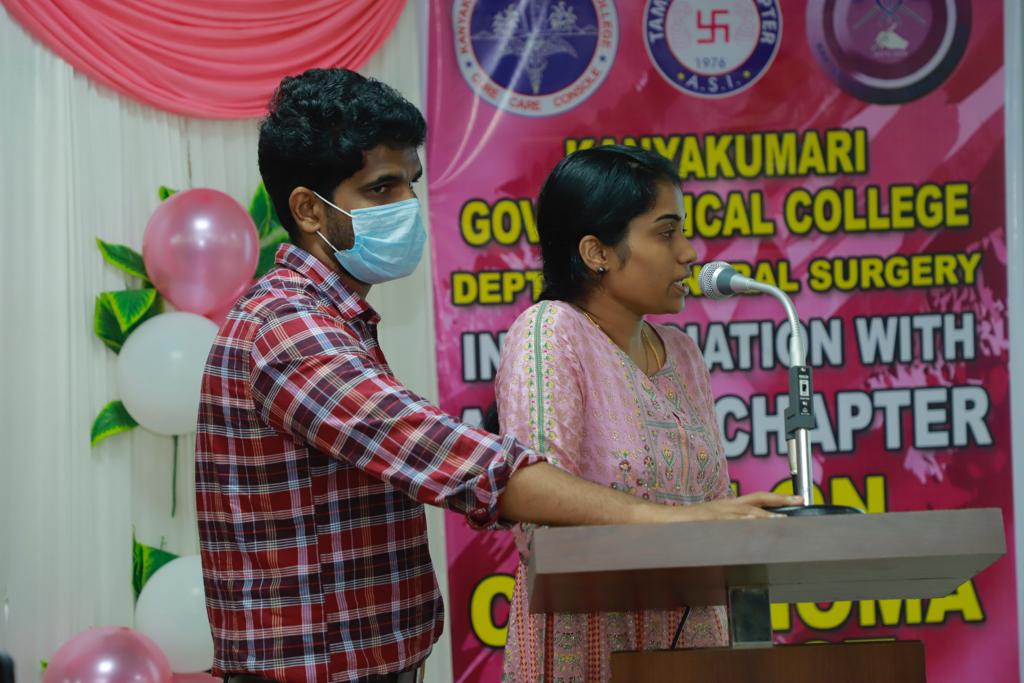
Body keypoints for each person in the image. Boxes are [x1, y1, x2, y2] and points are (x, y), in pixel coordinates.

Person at [194, 69, 797, 683]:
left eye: (410, 183)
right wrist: (671, 519)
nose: (406, 206)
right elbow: (443, 455)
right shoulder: (288, 327)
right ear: (308, 210)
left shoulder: (334, 321)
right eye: (381, 188)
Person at [496, 145, 780, 682]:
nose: (689, 253)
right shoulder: (552, 330)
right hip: (590, 647)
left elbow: (713, 510)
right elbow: (535, 515)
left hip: (695, 649)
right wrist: (677, 521)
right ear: (597, 252)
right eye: (666, 233)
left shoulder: (683, 353)